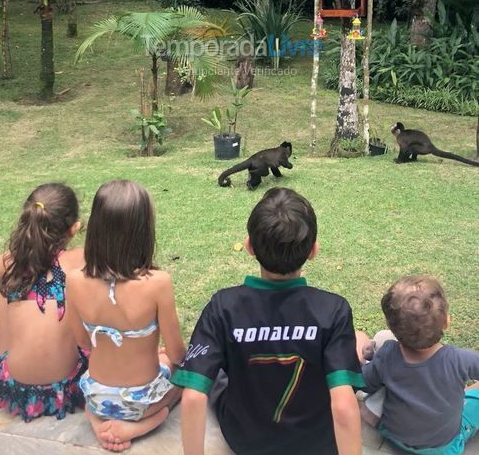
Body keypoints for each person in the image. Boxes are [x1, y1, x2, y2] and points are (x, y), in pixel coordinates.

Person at [173, 187, 364, 455]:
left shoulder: (223, 306)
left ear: (249, 246)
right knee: (347, 356)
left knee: (210, 376)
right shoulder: (333, 310)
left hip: (244, 441)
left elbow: (193, 396)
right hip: (316, 444)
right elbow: (343, 406)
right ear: (313, 250)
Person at [67, 179, 186, 452]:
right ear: (144, 231)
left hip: (96, 396)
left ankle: (98, 423)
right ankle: (144, 423)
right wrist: (169, 358)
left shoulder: (74, 280)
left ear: (95, 229)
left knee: (97, 404)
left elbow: (83, 341)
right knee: (180, 377)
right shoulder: (158, 282)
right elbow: (177, 352)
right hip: (142, 403)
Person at [0, 183, 87, 421]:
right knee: (79, 291)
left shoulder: (11, 260)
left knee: (6, 289)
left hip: (16, 387)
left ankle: (8, 353)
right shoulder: (78, 259)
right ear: (74, 228)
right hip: (65, 386)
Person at [359, 276, 479, 454]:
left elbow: (365, 383)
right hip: (444, 448)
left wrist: (370, 358)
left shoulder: (386, 354)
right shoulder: (461, 359)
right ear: (446, 322)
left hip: (394, 436)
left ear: (390, 326)